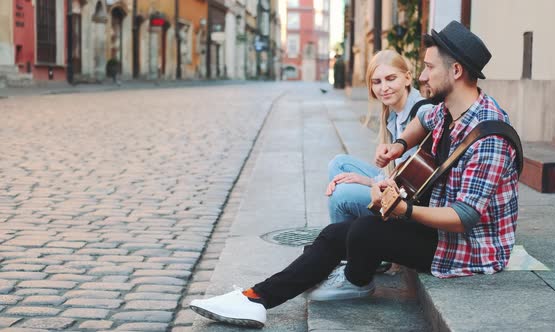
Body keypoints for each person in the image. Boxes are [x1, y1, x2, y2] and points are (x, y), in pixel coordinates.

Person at [189, 21, 519, 329]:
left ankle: (356, 281)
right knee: (335, 234)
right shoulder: (448, 108)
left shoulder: (489, 136)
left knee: (364, 231)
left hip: (469, 246)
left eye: (429, 67)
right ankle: (255, 298)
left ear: (456, 70)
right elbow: (424, 121)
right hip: (438, 224)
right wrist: (400, 145)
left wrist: (403, 209)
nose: (422, 76)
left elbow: (464, 217)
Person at [326, 49, 431, 224]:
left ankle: (344, 242)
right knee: (338, 164)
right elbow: (397, 172)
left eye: (391, 79)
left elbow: (431, 115)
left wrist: (369, 182)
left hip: (407, 201)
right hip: (395, 183)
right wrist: (369, 181)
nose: (383, 88)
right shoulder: (392, 114)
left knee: (340, 195)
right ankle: (355, 236)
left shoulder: (421, 111)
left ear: (407, 78)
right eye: (376, 82)